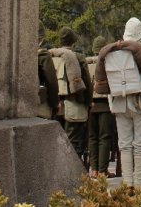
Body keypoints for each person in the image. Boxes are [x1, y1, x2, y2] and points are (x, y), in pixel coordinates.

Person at [97, 17, 141, 188]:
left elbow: (109, 81)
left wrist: (113, 104)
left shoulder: (112, 51)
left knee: (125, 145)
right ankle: (140, 186)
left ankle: (127, 185)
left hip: (120, 103)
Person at [50, 27, 90, 157]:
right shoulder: (78, 57)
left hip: (55, 105)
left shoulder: (51, 56)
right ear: (73, 41)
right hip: (75, 104)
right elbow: (87, 83)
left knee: (57, 142)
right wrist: (88, 102)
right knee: (74, 143)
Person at [86, 35, 116, 178]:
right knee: (105, 137)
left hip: (90, 104)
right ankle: (103, 170)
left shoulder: (87, 64)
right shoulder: (108, 63)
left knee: (92, 137)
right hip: (105, 104)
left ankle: (94, 169)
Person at [37, 21, 60, 120]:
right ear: (40, 38)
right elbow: (52, 82)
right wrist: (55, 103)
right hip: (39, 105)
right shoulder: (43, 54)